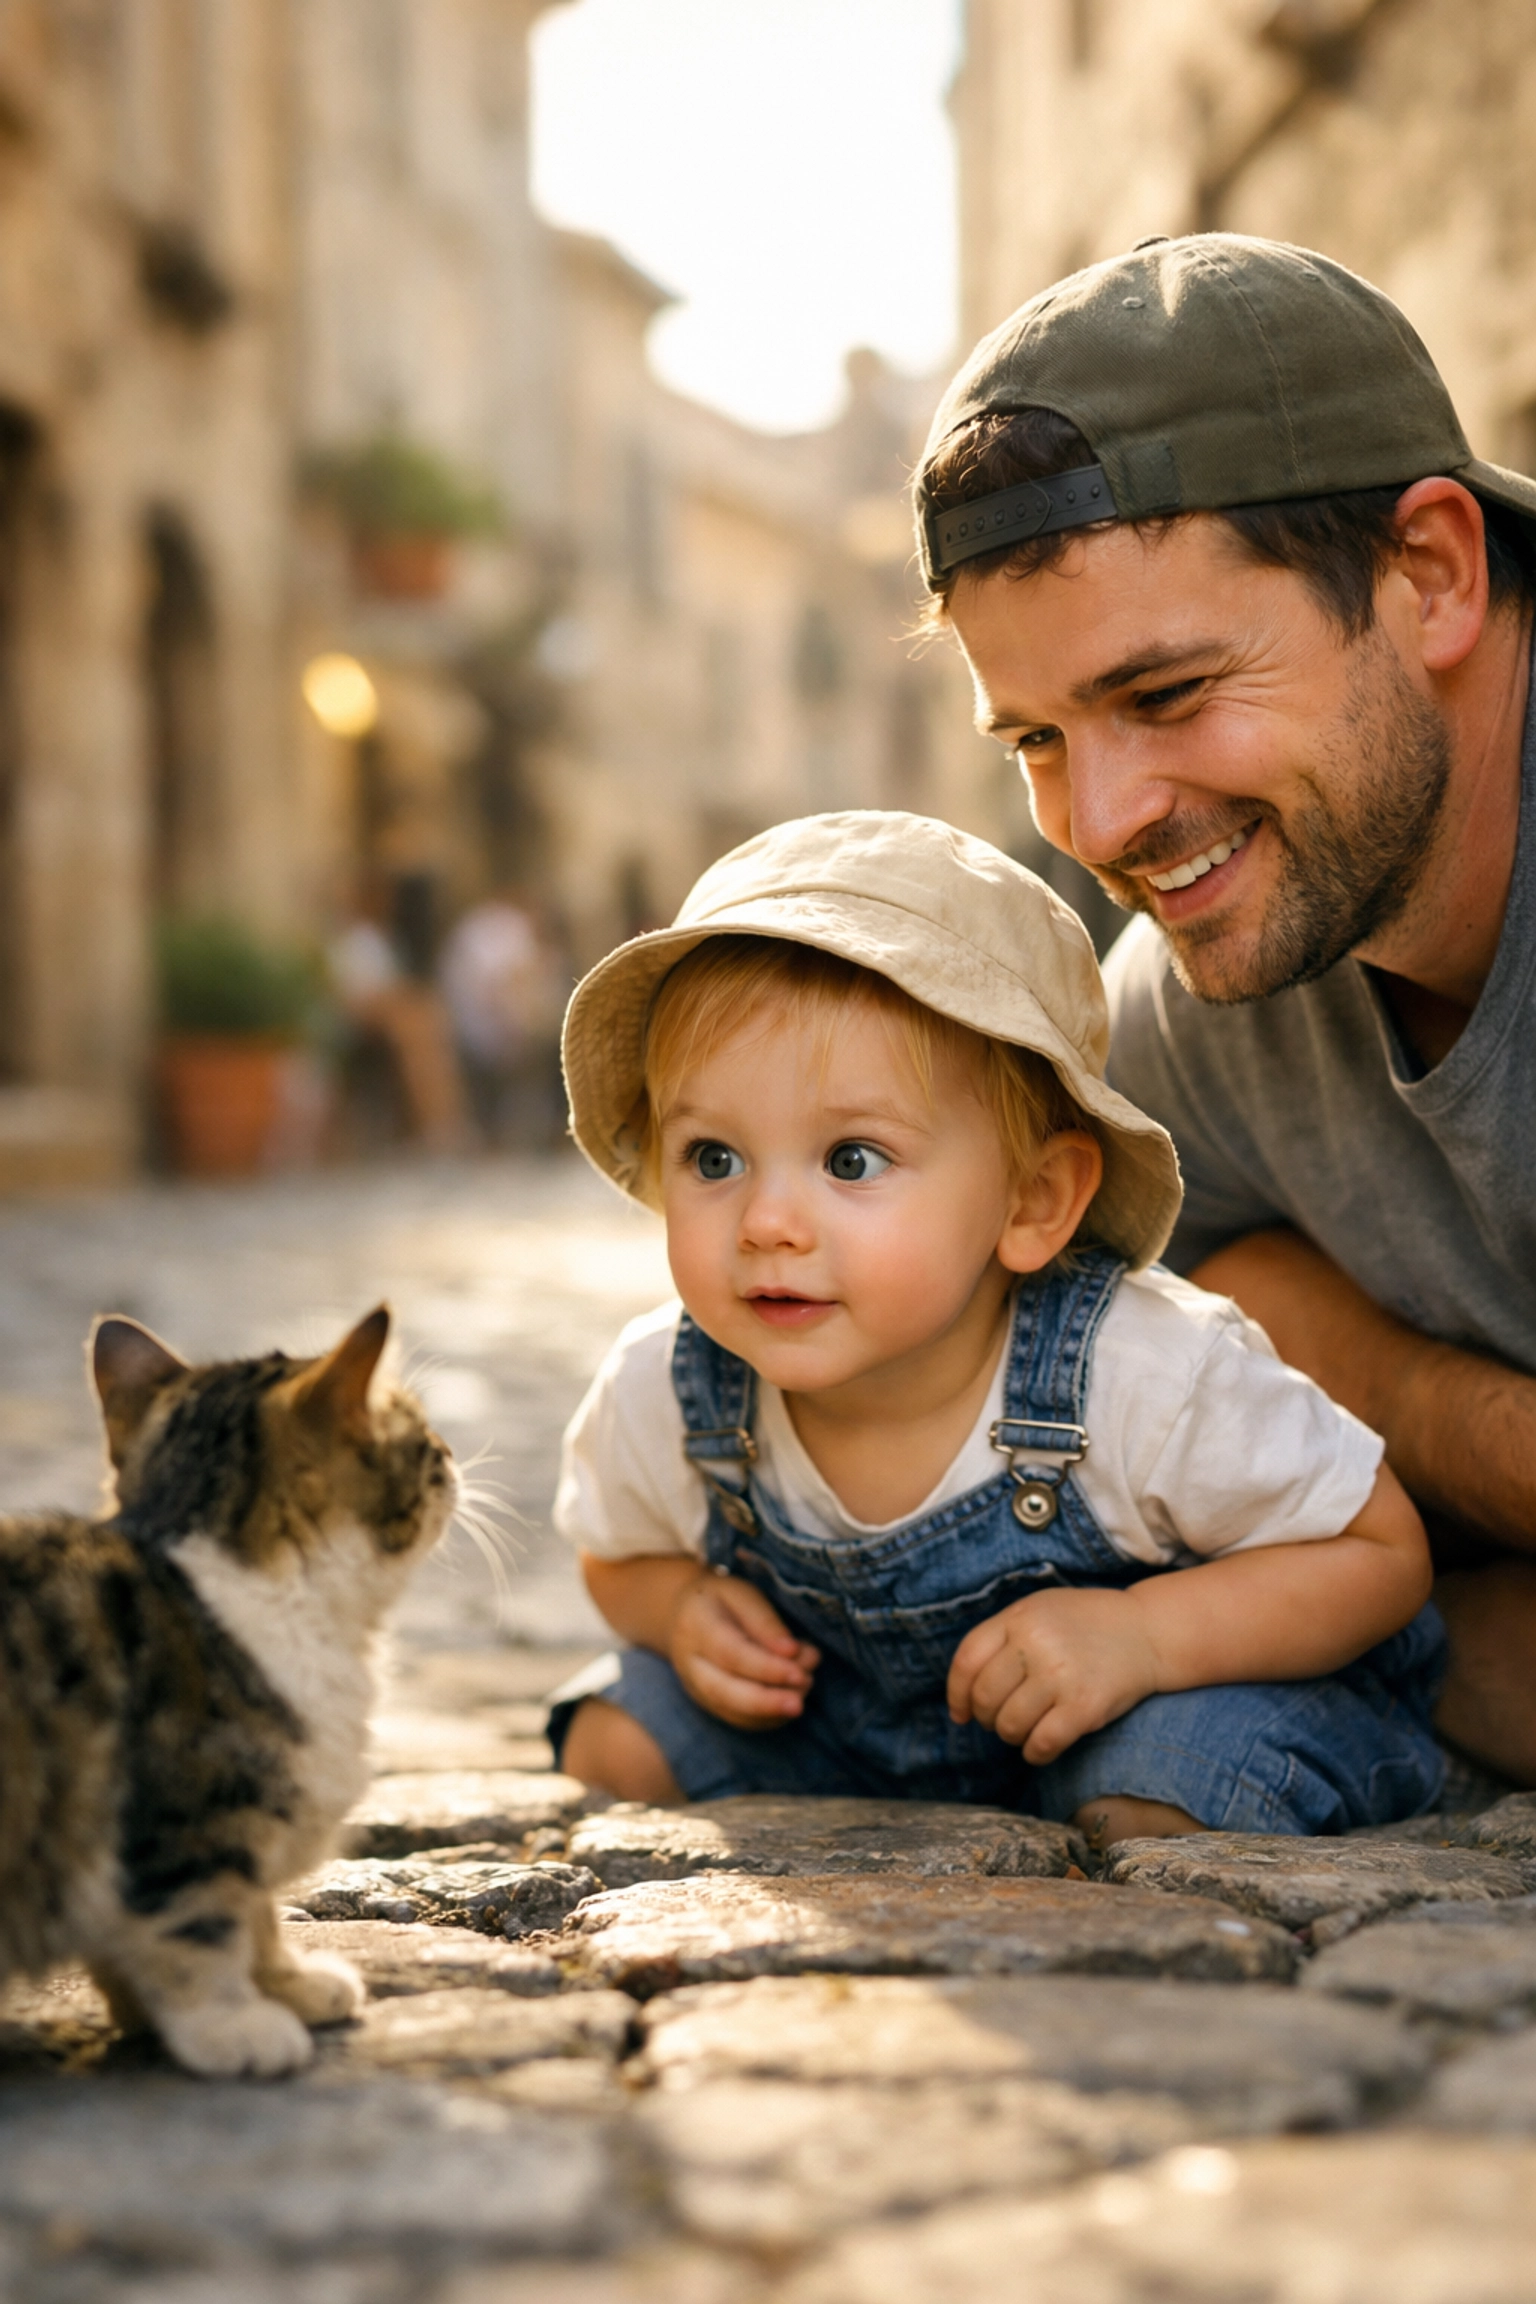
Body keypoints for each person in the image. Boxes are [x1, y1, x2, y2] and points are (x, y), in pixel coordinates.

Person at [911, 234, 1536, 1790]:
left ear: (1433, 574)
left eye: (1169, 694)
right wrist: (1454, 1430)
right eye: (1038, 738)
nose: (1107, 819)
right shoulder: (1205, 975)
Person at [546, 811, 1442, 1848]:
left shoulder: (1140, 1368)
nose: (767, 1224)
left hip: (1143, 1703)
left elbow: (1376, 1549)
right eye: (713, 1158)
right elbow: (612, 1552)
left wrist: (1144, 1639)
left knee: (1162, 1792)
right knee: (615, 1738)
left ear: (1032, 1202)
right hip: (841, 1736)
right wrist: (678, 1614)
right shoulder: (670, 1384)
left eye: (850, 1161)